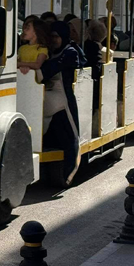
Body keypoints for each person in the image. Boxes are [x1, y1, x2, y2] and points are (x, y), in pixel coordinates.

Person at [41, 22, 87, 186]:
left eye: (56, 37)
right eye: (51, 36)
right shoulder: (48, 51)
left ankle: (69, 174)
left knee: (71, 137)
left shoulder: (70, 52)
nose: (53, 40)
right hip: (45, 96)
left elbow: (48, 70)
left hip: (64, 97)